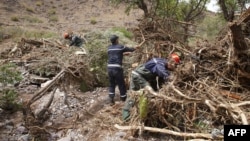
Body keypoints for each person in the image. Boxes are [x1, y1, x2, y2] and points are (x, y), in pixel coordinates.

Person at [107, 34, 139, 105]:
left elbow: (113, 55)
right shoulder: (121, 47)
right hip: (117, 68)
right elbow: (131, 49)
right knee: (121, 83)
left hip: (109, 68)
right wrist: (136, 48)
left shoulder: (109, 48)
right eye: (118, 39)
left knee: (112, 84)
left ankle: (111, 99)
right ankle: (123, 98)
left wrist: (123, 54)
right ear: (116, 40)